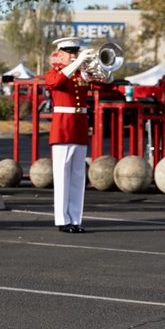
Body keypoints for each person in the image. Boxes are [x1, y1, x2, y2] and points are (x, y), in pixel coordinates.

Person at [44, 36, 113, 233]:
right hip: (62, 129)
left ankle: (75, 219)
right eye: (70, 53)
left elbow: (106, 85)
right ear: (60, 54)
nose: (74, 56)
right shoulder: (55, 73)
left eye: (76, 52)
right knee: (62, 176)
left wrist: (103, 68)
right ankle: (62, 219)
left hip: (80, 127)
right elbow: (56, 83)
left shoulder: (81, 75)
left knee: (77, 176)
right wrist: (78, 64)